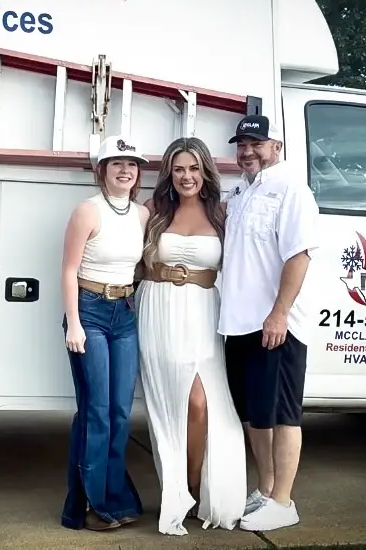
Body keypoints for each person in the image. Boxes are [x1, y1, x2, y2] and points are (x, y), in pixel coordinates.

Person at [134, 137, 249, 535]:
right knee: (172, 404)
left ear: (205, 173)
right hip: (159, 310)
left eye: (194, 168)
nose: (187, 176)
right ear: (169, 173)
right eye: (179, 169)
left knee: (201, 402)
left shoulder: (221, 214)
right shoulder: (153, 212)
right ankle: (179, 490)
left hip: (204, 313)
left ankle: (195, 486)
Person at [218, 115, 320, 532]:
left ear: (276, 146)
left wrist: (278, 313)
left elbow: (300, 255)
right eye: (242, 144)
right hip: (238, 323)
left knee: (282, 415)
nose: (247, 151)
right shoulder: (241, 192)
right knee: (253, 415)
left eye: (256, 143)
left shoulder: (292, 191)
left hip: (276, 326)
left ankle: (284, 500)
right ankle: (265, 490)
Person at [59, 134, 150, 531]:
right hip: (90, 313)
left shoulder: (142, 215)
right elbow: (68, 270)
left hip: (125, 314)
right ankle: (93, 506)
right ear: (102, 171)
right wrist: (74, 323)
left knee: (119, 413)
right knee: (96, 412)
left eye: (131, 165)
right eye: (117, 164)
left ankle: (114, 498)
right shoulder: (87, 211)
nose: (125, 171)